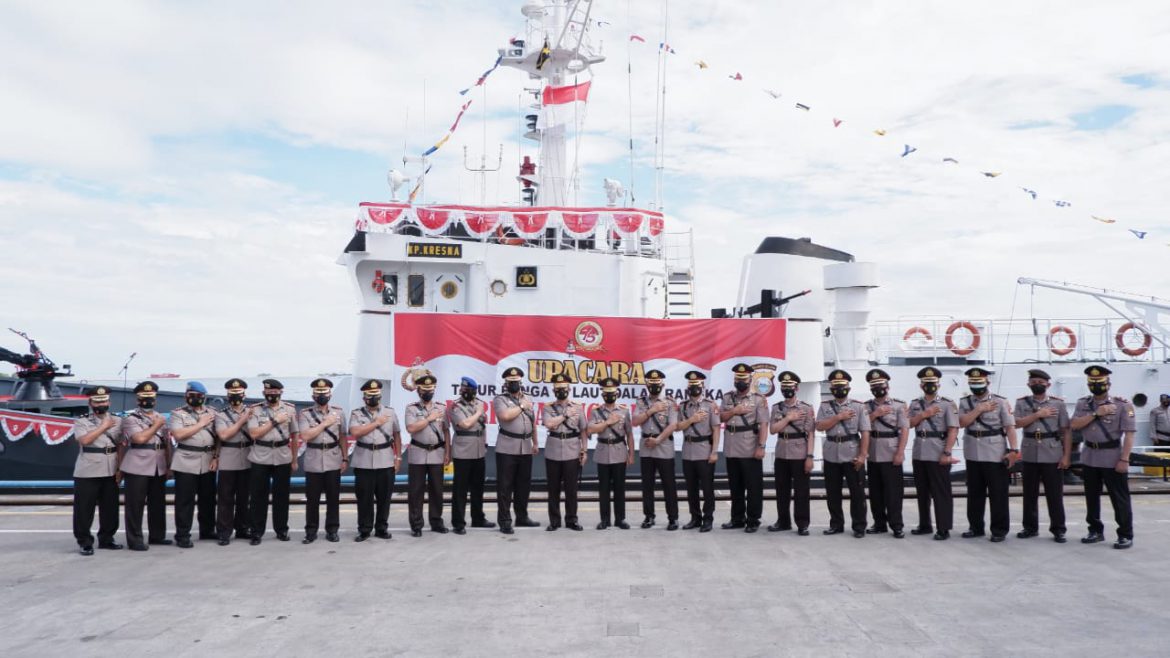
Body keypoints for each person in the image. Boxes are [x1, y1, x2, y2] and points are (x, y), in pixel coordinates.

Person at [1070, 366, 1135, 549]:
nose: (1096, 386)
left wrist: (1124, 459)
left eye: (1100, 383)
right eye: (1092, 383)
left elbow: (1129, 434)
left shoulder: (1123, 405)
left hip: (1112, 457)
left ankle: (1125, 534)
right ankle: (1095, 530)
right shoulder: (1083, 404)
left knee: (1119, 498)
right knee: (1091, 497)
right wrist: (1095, 414)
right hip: (1089, 456)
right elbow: (1074, 425)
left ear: (1108, 384)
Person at [958, 367, 1019, 543]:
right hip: (972, 452)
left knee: (998, 493)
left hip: (995, 452)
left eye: (979, 383)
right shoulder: (965, 402)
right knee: (974, 493)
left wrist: (1014, 450)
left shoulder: (1000, 402)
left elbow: (1009, 427)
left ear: (987, 383)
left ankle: (999, 530)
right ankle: (975, 527)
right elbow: (962, 423)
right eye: (973, 383)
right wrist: (979, 409)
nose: (976, 386)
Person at [1013, 369, 1071, 543]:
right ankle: (1030, 527)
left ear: (1048, 384)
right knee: (1029, 494)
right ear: (1029, 384)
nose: (1037, 384)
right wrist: (1038, 414)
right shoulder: (1022, 403)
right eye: (1034, 382)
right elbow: (1016, 423)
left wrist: (1066, 456)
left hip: (1052, 452)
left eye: (1041, 382)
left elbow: (1066, 431)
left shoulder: (1058, 404)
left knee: (1055, 494)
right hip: (1030, 451)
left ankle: (1058, 529)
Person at [816, 370, 871, 538]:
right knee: (832, 492)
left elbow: (865, 431)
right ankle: (836, 524)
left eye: (842, 386)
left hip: (852, 452)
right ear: (831, 388)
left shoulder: (858, 406)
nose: (839, 389)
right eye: (836, 386)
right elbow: (819, 426)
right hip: (832, 452)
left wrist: (863, 455)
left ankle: (859, 526)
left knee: (857, 492)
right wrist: (838, 417)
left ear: (848, 387)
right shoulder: (825, 406)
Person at [245, 378, 300, 545]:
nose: (272, 395)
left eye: (275, 392)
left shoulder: (289, 409)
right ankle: (256, 532)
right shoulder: (255, 410)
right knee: (258, 497)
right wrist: (275, 421)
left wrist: (294, 459)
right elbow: (254, 433)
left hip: (283, 455)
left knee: (281, 496)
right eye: (268, 393)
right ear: (264, 393)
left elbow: (295, 435)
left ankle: (282, 530)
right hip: (260, 455)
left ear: (281, 393)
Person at [907, 367, 959, 540]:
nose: (930, 386)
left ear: (938, 384)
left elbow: (953, 430)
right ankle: (925, 524)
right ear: (921, 385)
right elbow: (909, 424)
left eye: (933, 383)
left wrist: (947, 452)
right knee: (922, 491)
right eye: (926, 383)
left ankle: (943, 527)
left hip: (938, 451)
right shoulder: (915, 404)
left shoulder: (947, 404)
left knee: (940, 492)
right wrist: (924, 414)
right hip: (919, 452)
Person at [120, 381, 172, 551]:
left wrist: (169, 464)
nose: (148, 401)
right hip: (138, 464)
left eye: (150, 398)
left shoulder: (160, 417)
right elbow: (139, 439)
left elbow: (166, 443)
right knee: (135, 504)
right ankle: (135, 539)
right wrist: (156, 425)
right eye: (144, 398)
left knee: (158, 503)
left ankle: (157, 535)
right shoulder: (130, 419)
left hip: (159, 464)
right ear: (138, 400)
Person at [71, 386, 122, 555]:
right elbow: (84, 440)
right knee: (84, 509)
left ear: (109, 402)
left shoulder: (118, 420)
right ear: (91, 402)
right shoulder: (82, 421)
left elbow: (121, 445)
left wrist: (120, 468)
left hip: (110, 467)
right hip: (88, 469)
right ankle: (84, 541)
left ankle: (107, 538)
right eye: (98, 401)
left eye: (104, 401)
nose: (101, 404)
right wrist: (104, 426)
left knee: (110, 507)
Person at [349, 379, 401, 541]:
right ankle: (364, 529)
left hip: (385, 459)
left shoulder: (390, 413)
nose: (373, 398)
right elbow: (355, 432)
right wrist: (376, 423)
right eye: (369, 395)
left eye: (376, 395)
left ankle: (381, 528)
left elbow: (397, 434)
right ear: (364, 397)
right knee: (364, 498)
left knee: (384, 498)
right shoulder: (356, 413)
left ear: (380, 395)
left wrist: (398, 456)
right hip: (363, 460)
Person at [168, 381, 219, 548]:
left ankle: (207, 530)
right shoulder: (178, 414)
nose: (195, 399)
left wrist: (216, 457)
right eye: (191, 396)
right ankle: (182, 534)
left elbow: (218, 437)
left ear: (204, 397)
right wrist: (201, 423)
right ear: (186, 396)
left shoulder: (212, 413)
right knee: (184, 501)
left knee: (208, 498)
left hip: (207, 458)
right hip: (186, 459)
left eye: (198, 396)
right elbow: (179, 434)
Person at [720, 363, 769, 533]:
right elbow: (721, 417)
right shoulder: (727, 398)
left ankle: (753, 519)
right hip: (732, 446)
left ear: (750, 380)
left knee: (753, 486)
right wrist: (735, 410)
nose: (740, 382)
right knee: (735, 485)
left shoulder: (758, 399)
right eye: (737, 379)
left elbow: (763, 424)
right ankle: (737, 518)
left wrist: (761, 446)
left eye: (743, 379)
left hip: (750, 446)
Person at [298, 378, 347, 544]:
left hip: (333, 458)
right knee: (312, 499)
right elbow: (305, 436)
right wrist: (325, 423)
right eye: (318, 393)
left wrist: (345, 458)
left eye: (324, 393)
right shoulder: (305, 414)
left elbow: (342, 437)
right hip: (313, 459)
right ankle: (311, 531)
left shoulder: (339, 413)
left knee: (333, 498)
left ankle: (332, 530)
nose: (321, 396)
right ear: (313, 395)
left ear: (330, 394)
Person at [493, 367, 541, 533]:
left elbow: (532, 422)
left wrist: (535, 442)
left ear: (520, 382)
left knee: (523, 485)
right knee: (505, 486)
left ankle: (522, 517)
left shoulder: (527, 398)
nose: (514, 384)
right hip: (507, 447)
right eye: (511, 382)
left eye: (516, 382)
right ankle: (505, 520)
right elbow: (505, 416)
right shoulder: (500, 399)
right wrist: (522, 406)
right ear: (506, 383)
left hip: (525, 447)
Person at [767, 371, 815, 535]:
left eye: (790, 387)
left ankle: (802, 523)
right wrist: (787, 418)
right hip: (781, 454)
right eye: (784, 387)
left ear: (797, 388)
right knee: (782, 490)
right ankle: (783, 521)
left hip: (800, 454)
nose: (787, 390)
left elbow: (811, 434)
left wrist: (810, 457)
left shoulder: (806, 408)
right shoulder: (776, 408)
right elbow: (773, 430)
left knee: (801, 491)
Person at [864, 369, 910, 538]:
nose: (878, 388)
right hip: (873, 451)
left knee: (894, 492)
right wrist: (875, 414)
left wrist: (900, 452)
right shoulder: (866, 407)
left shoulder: (898, 405)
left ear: (887, 386)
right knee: (875, 492)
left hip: (891, 451)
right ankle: (879, 523)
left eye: (880, 385)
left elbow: (904, 429)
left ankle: (897, 525)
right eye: (874, 386)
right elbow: (860, 426)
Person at [633, 369, 680, 530]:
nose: (654, 386)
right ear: (647, 384)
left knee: (669, 484)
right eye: (651, 383)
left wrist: (658, 440)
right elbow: (635, 421)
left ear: (662, 384)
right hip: (646, 446)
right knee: (647, 484)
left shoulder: (670, 402)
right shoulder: (641, 402)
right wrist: (651, 410)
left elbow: (673, 425)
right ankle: (649, 516)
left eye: (657, 383)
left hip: (664, 446)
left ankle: (673, 518)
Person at [405, 374, 451, 537]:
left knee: (437, 490)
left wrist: (448, 452)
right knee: (416, 491)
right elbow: (411, 428)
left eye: (430, 390)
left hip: (437, 453)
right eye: (425, 390)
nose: (428, 393)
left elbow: (446, 431)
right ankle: (416, 524)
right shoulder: (411, 408)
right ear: (418, 390)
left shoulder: (441, 408)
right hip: (418, 453)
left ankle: (436, 521)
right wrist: (429, 419)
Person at [448, 376, 494, 534]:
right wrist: (479, 412)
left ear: (475, 391)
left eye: (469, 390)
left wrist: (485, 444)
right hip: (463, 451)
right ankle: (458, 523)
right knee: (460, 490)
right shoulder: (455, 406)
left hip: (479, 451)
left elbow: (483, 426)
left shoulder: (479, 403)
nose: (465, 392)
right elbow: (465, 424)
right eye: (463, 389)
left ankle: (478, 518)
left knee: (478, 488)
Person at [588, 377, 635, 530]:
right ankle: (605, 520)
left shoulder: (624, 411)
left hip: (620, 452)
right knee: (603, 489)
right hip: (602, 452)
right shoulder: (596, 411)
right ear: (602, 394)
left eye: (612, 392)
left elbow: (629, 434)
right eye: (606, 393)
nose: (609, 395)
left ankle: (620, 519)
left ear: (617, 393)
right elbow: (590, 429)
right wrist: (608, 422)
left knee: (620, 488)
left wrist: (631, 454)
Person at [677, 371, 721, 532]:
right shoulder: (683, 406)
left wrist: (715, 451)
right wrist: (691, 420)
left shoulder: (710, 405)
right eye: (691, 385)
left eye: (696, 385)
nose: (694, 388)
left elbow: (716, 429)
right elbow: (678, 427)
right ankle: (695, 518)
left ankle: (708, 519)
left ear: (702, 387)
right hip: (688, 450)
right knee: (691, 488)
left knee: (707, 487)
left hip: (704, 450)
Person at [542, 373, 586, 531]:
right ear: (554, 390)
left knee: (571, 489)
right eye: (558, 389)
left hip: (572, 451)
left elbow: (583, 430)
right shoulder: (548, 408)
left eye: (564, 388)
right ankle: (554, 520)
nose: (561, 391)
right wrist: (564, 415)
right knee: (553, 488)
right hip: (553, 451)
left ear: (569, 389)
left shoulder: (578, 407)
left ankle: (572, 520)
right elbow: (548, 424)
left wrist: (585, 450)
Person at [213, 378, 253, 545]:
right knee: (225, 497)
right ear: (228, 395)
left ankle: (243, 528)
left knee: (245, 497)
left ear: (244, 394)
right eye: (232, 394)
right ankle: (224, 532)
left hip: (248, 455)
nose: (235, 396)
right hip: (228, 455)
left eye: (238, 393)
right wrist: (242, 421)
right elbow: (223, 436)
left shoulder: (253, 412)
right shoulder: (221, 415)